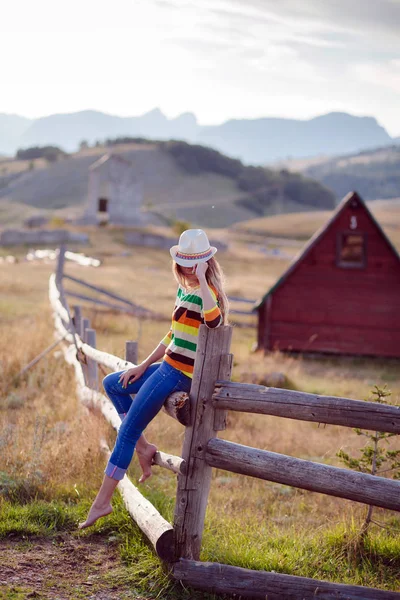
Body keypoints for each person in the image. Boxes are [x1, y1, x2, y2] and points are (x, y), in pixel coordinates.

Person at [79, 229, 229, 529]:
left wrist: (201, 280)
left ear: (205, 262)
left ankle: (103, 502)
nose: (188, 267)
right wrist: (143, 364)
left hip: (179, 376)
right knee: (113, 384)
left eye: (195, 261)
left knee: (127, 431)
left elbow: (215, 322)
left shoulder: (206, 291)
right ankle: (145, 448)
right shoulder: (184, 290)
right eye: (185, 261)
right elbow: (173, 335)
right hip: (165, 368)